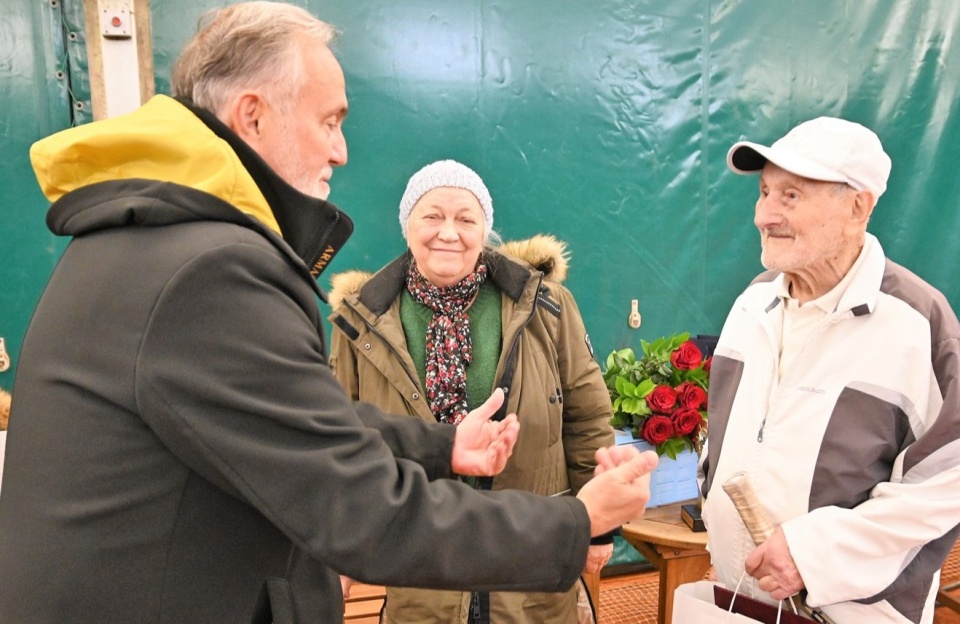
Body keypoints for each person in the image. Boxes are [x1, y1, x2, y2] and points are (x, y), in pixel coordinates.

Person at [0, 3, 658, 623]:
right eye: (329, 121)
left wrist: (440, 443)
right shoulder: (212, 269)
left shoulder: (156, 240)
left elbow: (301, 424)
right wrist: (575, 521)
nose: (341, 151)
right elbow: (362, 508)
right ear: (253, 116)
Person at [328, 159, 616, 624]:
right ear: (407, 226)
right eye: (432, 216)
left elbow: (587, 415)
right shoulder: (362, 321)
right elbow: (341, 439)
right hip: (421, 573)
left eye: (466, 219)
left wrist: (599, 527)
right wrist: (337, 548)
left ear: (485, 230)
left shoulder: (545, 306)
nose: (449, 232)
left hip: (532, 561)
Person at [700, 116, 960, 623]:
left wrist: (813, 554)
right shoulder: (752, 304)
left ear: (857, 207)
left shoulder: (918, 325)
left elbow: (947, 482)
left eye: (791, 196)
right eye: (764, 192)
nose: (764, 216)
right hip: (738, 599)